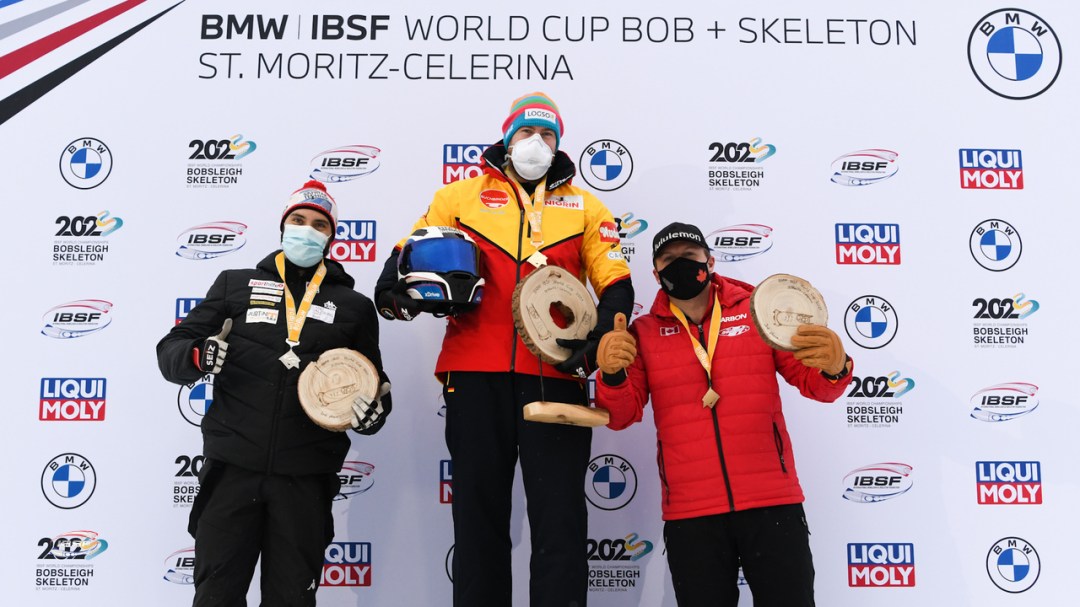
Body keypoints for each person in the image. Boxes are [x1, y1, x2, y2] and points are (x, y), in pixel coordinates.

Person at [375, 92, 633, 606]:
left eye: (547, 136)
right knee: (478, 519)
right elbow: (409, 258)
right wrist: (397, 293)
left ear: (559, 145)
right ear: (506, 137)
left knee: (560, 523)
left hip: (557, 378)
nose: (535, 144)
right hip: (474, 376)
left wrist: (594, 342)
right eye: (525, 133)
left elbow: (616, 281)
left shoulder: (585, 206)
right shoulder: (459, 197)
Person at [157, 179, 392, 606]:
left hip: (304, 479)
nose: (307, 230)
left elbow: (375, 386)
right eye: (298, 220)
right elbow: (170, 351)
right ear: (283, 228)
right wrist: (198, 355)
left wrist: (375, 412)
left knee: (292, 600)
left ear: (331, 236)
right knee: (217, 596)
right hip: (232, 470)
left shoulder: (354, 306)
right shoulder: (234, 285)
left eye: (319, 224)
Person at [594, 222, 853, 607]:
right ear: (655, 272)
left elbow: (816, 385)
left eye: (690, 257)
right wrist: (612, 376)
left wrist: (836, 367)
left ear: (710, 262)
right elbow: (622, 415)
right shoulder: (643, 333)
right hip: (692, 512)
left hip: (771, 502)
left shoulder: (759, 312)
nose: (679, 265)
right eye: (668, 259)